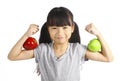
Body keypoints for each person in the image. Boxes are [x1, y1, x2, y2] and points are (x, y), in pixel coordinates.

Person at [8, 7, 113, 81]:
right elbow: (12, 56)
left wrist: (98, 34)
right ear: (48, 30)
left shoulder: (77, 50)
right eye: (54, 28)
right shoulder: (42, 50)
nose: (60, 33)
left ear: (72, 28)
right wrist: (26, 35)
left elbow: (108, 58)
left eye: (64, 27)